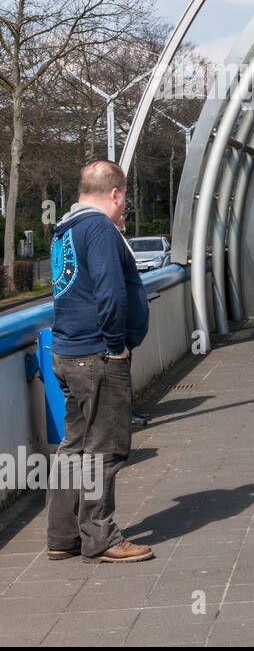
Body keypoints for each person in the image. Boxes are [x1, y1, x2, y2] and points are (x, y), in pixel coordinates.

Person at [46, 161, 153, 563]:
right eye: (124, 195)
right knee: (104, 451)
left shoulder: (64, 230)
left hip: (67, 352)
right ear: (114, 193)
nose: (124, 203)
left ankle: (62, 537)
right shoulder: (100, 229)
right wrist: (116, 345)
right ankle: (100, 537)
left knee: (73, 448)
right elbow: (111, 294)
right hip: (97, 355)